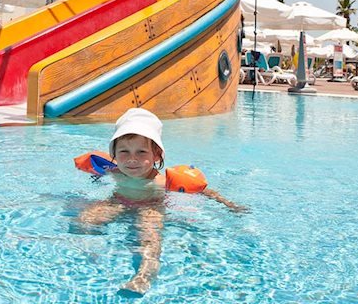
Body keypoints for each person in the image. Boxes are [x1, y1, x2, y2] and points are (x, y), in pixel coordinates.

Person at [78, 108, 246, 296]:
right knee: (85, 219)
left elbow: (203, 190)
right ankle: (90, 254)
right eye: (124, 151)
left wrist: (228, 204)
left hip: (150, 207)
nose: (132, 159)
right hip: (118, 201)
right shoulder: (114, 172)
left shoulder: (161, 181)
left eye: (141, 152)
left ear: (156, 155)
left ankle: (143, 277)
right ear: (114, 154)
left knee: (150, 239)